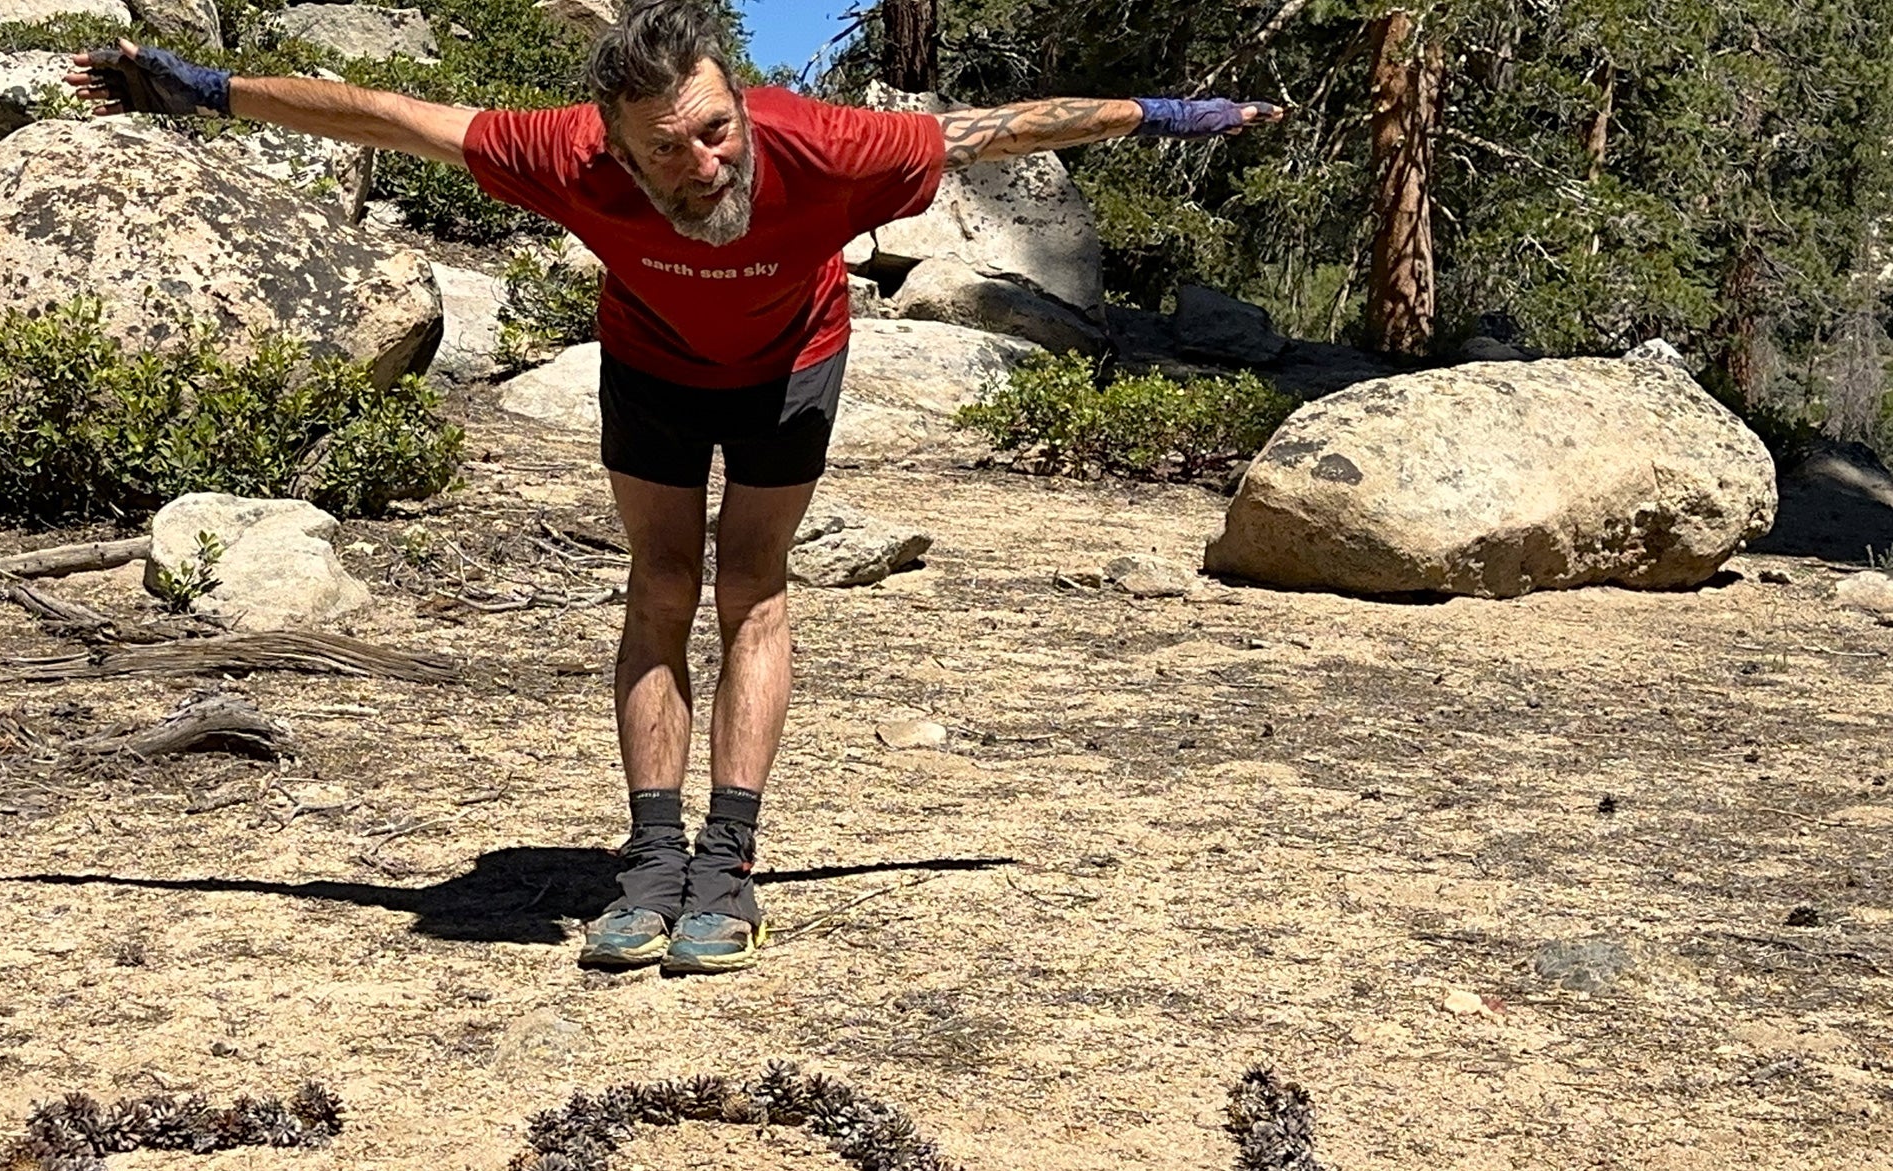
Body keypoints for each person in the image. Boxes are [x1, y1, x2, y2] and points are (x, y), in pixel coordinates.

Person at [70, 1, 1281, 976]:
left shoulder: (831, 143)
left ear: (739, 104)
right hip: (649, 361)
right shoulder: (560, 153)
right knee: (661, 585)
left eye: (714, 131)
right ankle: (651, 864)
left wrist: (1173, 111)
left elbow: (1004, 127)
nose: (699, 164)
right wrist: (205, 89)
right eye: (664, 148)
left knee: (752, 587)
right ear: (614, 140)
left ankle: (730, 865)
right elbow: (388, 114)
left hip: (793, 363)